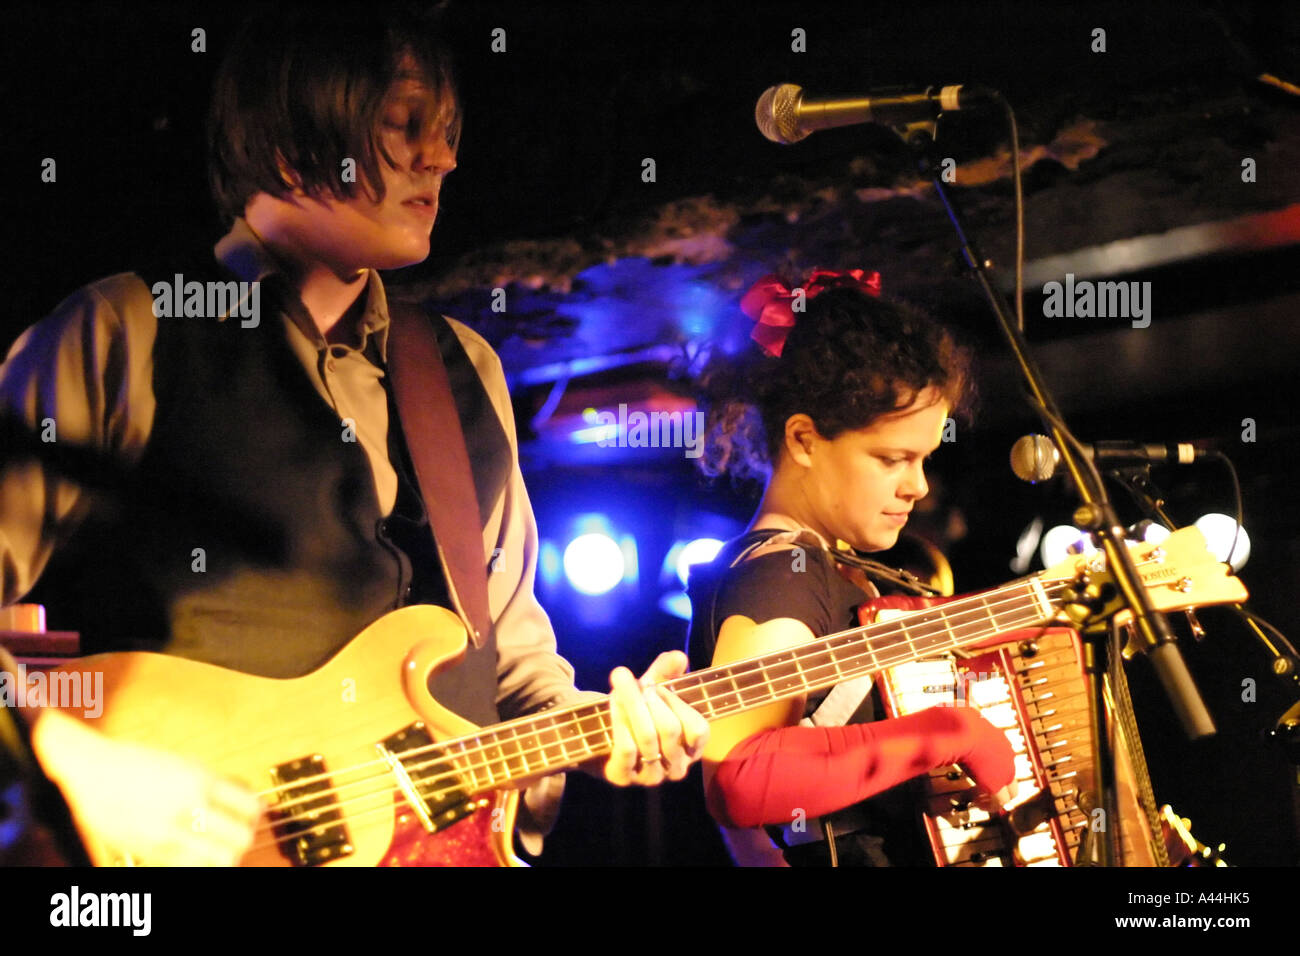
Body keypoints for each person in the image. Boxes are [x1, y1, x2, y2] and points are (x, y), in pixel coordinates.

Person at [0, 6, 706, 864]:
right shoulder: (127, 333)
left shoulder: (461, 368)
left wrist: (604, 732)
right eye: (405, 125)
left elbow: (512, 676)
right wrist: (78, 768)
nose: (441, 158)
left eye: (445, 133)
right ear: (294, 140)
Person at [685, 270, 1015, 866]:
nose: (917, 486)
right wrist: (946, 734)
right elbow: (738, 772)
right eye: (893, 459)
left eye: (925, 460)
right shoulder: (784, 572)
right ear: (805, 440)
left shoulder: (816, 567)